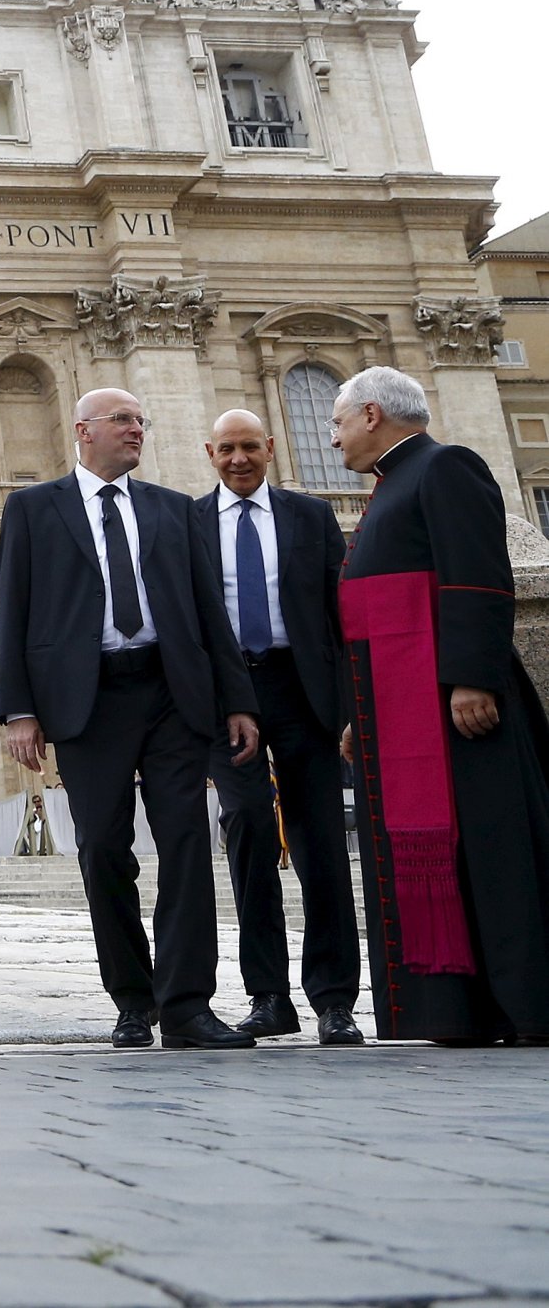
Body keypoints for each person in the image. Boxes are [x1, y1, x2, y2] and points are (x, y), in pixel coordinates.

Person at [0, 388, 262, 1050]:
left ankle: (188, 1005)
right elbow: (13, 609)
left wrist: (237, 700)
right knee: (104, 849)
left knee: (186, 843)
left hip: (172, 692)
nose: (135, 429)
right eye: (123, 420)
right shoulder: (33, 508)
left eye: (141, 420)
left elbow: (210, 615)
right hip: (88, 701)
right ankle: (132, 999)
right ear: (83, 430)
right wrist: (19, 710)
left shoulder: (174, 509)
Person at [329, 366, 549, 1043]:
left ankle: (519, 1004)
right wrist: (357, 712)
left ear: (371, 414)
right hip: (402, 706)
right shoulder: (391, 487)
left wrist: (473, 677)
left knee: (490, 853)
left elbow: (478, 572)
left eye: (336, 423)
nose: (333, 440)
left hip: (453, 701)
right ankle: (458, 1008)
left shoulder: (445, 466)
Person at [193, 409, 364, 1045]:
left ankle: (334, 999)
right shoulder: (188, 523)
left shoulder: (311, 517)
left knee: (321, 843)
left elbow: (336, 616)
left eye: (250, 448)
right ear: (210, 453)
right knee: (249, 833)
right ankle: (268, 996)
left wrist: (349, 707)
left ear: (270, 448)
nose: (239, 459)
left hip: (303, 691)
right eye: (226, 449)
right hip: (227, 696)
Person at [15, 790, 56, 856]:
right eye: (35, 802)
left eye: (38, 801)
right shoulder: (31, 814)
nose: (37, 803)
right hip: (35, 846)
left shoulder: (46, 811)